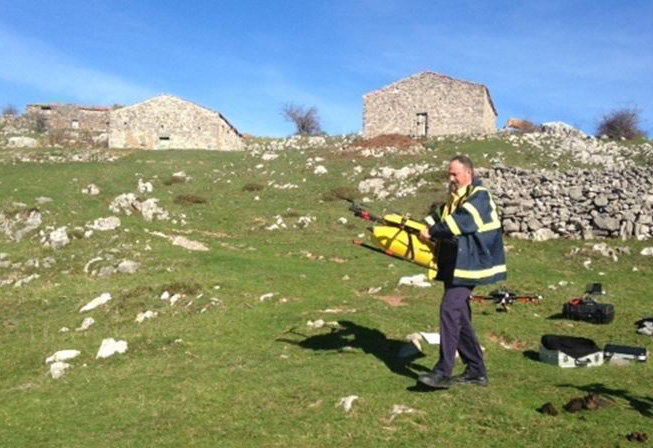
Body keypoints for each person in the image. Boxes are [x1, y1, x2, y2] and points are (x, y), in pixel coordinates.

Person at [416, 155, 506, 389]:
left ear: (469, 174)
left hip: (473, 263)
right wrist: (419, 227)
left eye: (455, 174)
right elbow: (440, 216)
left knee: (449, 309)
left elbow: (461, 222)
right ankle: (476, 370)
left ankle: (443, 371)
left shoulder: (479, 196)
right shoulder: (454, 198)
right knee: (460, 316)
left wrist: (433, 231)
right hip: (457, 264)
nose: (451, 178)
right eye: (450, 173)